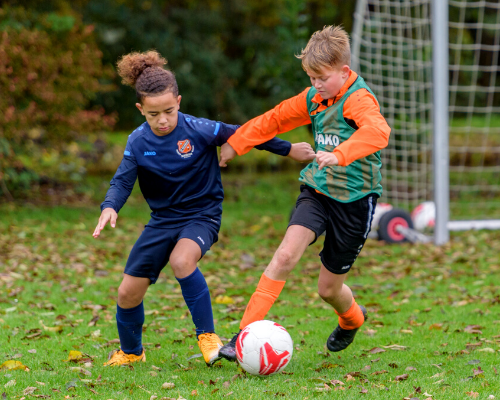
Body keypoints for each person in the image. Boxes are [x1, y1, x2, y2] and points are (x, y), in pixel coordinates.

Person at [92, 50, 315, 367]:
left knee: (182, 259)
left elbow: (246, 133)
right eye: (154, 114)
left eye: (169, 111)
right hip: (162, 222)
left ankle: (208, 337)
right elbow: (122, 181)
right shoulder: (137, 142)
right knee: (127, 292)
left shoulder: (199, 129)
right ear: (140, 109)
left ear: (179, 102)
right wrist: (110, 206)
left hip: (201, 217)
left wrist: (289, 149)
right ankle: (131, 352)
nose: (163, 120)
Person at [218, 25, 391, 361]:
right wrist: (236, 143)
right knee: (284, 256)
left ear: (344, 72)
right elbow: (274, 119)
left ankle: (352, 318)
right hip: (318, 190)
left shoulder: (358, 99)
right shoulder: (314, 98)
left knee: (328, 289)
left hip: (356, 201)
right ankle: (241, 335)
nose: (315, 85)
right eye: (311, 77)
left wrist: (340, 154)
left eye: (321, 78)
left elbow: (378, 132)